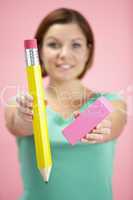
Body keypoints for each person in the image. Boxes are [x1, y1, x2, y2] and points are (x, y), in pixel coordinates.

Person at [4, 7, 127, 200]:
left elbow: (112, 121)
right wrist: (25, 116)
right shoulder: (17, 103)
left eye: (76, 45)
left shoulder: (112, 102)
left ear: (88, 50)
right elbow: (18, 124)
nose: (64, 54)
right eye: (53, 44)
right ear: (39, 52)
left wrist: (99, 126)